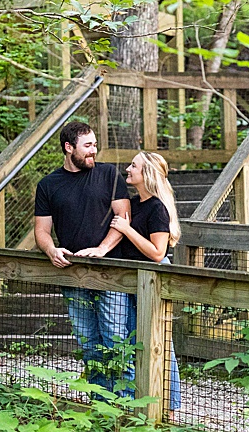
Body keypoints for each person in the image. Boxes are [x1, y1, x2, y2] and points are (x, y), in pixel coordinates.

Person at [63, 150, 182, 408]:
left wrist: (127, 230)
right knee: (132, 341)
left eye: (134, 166)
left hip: (152, 279)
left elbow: (157, 253)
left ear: (147, 173)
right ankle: (135, 401)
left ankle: (170, 405)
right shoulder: (134, 203)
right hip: (130, 280)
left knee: (161, 341)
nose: (128, 169)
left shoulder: (157, 208)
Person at [32, 122, 131, 395]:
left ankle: (124, 405)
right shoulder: (48, 184)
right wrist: (51, 250)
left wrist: (102, 248)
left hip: (110, 272)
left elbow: (124, 218)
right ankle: (100, 403)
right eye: (87, 146)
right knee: (89, 344)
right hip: (72, 273)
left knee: (116, 341)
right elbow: (41, 231)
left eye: (95, 145)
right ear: (68, 147)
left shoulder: (108, 174)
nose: (93, 151)